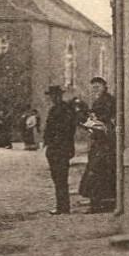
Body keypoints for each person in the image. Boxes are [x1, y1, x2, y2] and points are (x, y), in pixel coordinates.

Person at [78, 76, 117, 212]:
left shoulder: (108, 100)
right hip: (99, 140)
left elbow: (107, 120)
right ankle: (98, 202)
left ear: (104, 86)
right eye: (93, 86)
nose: (95, 88)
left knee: (98, 171)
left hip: (106, 142)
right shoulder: (98, 101)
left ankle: (99, 203)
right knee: (96, 171)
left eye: (98, 86)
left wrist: (95, 123)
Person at [42, 85, 77, 215]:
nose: (52, 98)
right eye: (51, 96)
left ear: (59, 96)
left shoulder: (64, 109)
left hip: (60, 147)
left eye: (54, 95)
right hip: (55, 148)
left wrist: (54, 141)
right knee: (58, 177)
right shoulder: (56, 109)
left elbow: (68, 129)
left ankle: (63, 207)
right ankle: (62, 206)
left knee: (60, 177)